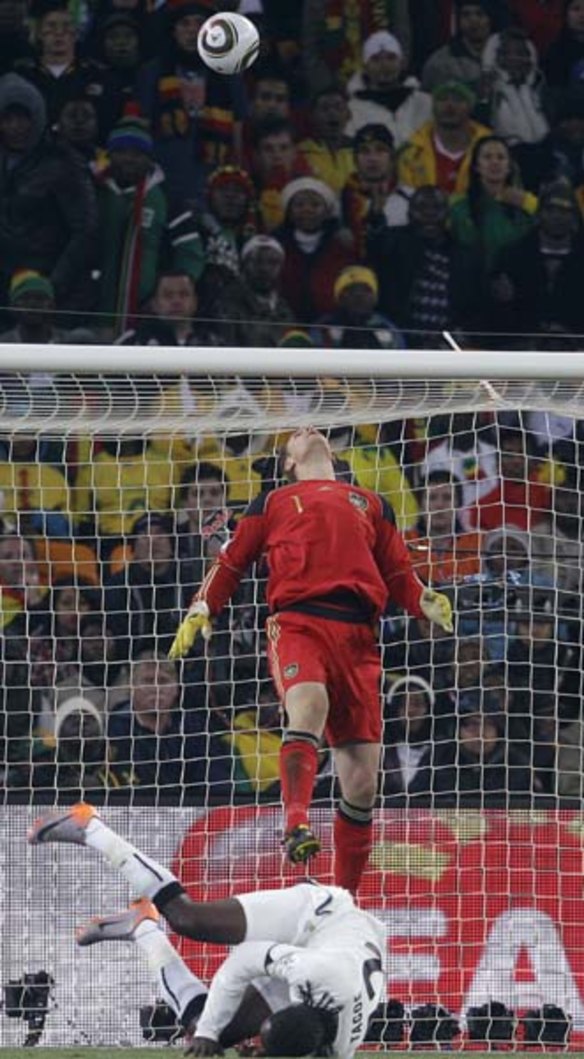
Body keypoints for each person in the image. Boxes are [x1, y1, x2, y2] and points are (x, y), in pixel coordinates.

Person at [168, 427, 452, 894]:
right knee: (309, 707)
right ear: (287, 463)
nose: (306, 431)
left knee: (362, 783)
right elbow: (233, 560)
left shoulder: (372, 501)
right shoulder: (274, 502)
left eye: (312, 431)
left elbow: (397, 567)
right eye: (293, 438)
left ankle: (345, 901)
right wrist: (203, 605)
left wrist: (421, 597)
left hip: (360, 637)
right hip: (300, 622)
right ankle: (295, 822)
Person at [28, 802, 386, 1059]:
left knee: (204, 1033)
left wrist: (211, 1033)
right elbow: (243, 959)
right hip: (322, 916)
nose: (259, 1051)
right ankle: (89, 826)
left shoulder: (339, 1047)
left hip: (333, 961)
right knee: (188, 920)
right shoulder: (313, 973)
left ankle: (143, 927)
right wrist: (209, 1034)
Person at [449, 134, 537, 270]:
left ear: (509, 167)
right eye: (487, 157)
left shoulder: (527, 204)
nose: (494, 162)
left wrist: (528, 204)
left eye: (501, 157)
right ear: (476, 166)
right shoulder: (458, 206)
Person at [398, 80, 491, 196]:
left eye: (458, 100)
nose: (449, 105)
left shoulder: (492, 149)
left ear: (470, 107)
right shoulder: (411, 151)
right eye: (442, 99)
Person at [345, 31, 432, 147]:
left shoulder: (425, 103)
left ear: (401, 63)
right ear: (365, 66)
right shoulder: (351, 109)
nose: (384, 65)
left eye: (391, 58)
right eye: (375, 59)